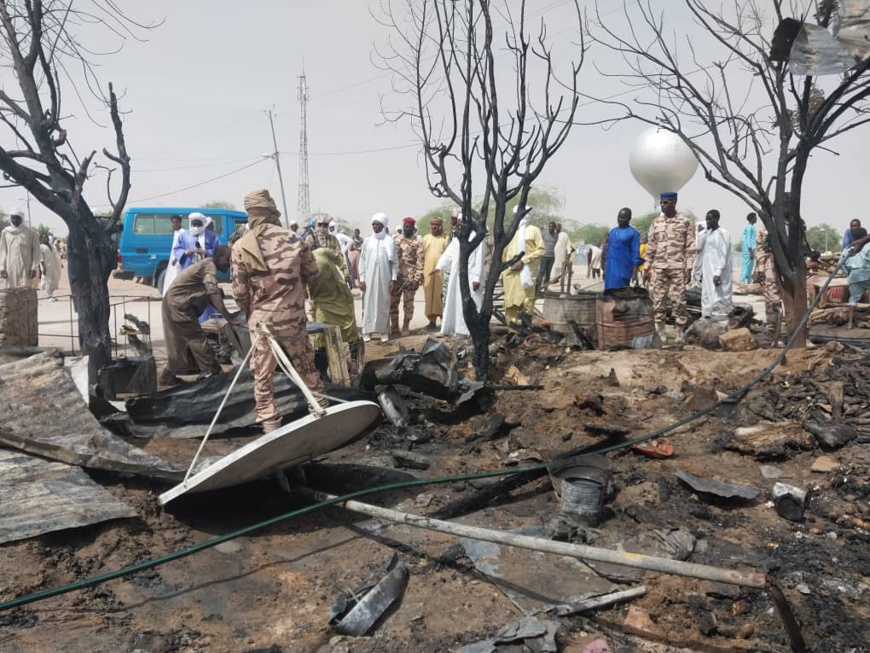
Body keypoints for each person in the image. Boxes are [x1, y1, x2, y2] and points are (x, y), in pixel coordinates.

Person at [232, 189, 324, 432]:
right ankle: (321, 417)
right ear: (272, 211)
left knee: (263, 378)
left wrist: (252, 310)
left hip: (262, 324)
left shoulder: (241, 246)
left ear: (250, 214)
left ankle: (271, 428)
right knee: (307, 369)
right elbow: (314, 275)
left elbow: (240, 294)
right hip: (293, 319)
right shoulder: (296, 239)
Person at [159, 246, 240, 387]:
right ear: (219, 256)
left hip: (175, 303)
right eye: (228, 260)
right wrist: (230, 318)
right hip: (178, 305)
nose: (229, 263)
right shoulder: (210, 266)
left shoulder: (207, 265)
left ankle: (168, 376)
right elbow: (212, 293)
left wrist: (226, 313)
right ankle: (212, 374)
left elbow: (213, 294)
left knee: (179, 343)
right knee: (197, 338)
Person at [643, 191, 695, 341]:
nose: (663, 205)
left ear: (674, 202)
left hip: (677, 267)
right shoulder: (656, 223)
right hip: (659, 268)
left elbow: (690, 247)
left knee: (679, 301)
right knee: (658, 301)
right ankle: (660, 331)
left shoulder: (685, 222)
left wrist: (689, 268)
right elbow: (651, 246)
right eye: (661, 203)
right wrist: (647, 267)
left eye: (665, 203)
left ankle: (679, 331)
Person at [307, 246, 364, 375]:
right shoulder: (298, 266)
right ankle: (322, 373)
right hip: (322, 302)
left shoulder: (322, 252)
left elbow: (339, 256)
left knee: (350, 329)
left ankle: (355, 362)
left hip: (340, 295)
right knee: (321, 336)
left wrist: (345, 270)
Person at [438, 215, 486, 337]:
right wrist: (439, 266)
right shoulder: (458, 238)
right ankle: (459, 329)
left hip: (471, 277)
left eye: (461, 222)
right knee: (458, 303)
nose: (459, 225)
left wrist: (477, 278)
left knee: (472, 302)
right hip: (458, 276)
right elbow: (448, 254)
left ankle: (472, 331)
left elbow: (480, 259)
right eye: (458, 222)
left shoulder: (477, 238)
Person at [502, 205, 544, 328]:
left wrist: (524, 260)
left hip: (527, 274)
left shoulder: (534, 230)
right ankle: (512, 331)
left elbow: (541, 250)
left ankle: (525, 331)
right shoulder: (510, 231)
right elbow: (503, 253)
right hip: (510, 274)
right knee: (510, 302)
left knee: (527, 303)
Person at [359, 213, 397, 342]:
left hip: (384, 277)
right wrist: (362, 279)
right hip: (369, 278)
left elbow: (394, 263)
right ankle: (367, 332)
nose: (375, 226)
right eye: (373, 224)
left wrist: (393, 279)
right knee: (368, 304)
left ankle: (383, 331)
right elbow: (362, 261)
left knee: (383, 303)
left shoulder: (389, 241)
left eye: (378, 224)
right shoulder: (368, 241)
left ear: (383, 226)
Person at [693, 210, 734, 317]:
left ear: (717, 219)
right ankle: (705, 321)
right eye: (706, 219)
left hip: (717, 274)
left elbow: (723, 254)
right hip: (708, 273)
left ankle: (718, 324)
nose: (707, 222)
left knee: (718, 299)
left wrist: (718, 273)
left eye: (710, 219)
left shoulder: (723, 233)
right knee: (706, 297)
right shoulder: (709, 233)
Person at [390, 216, 424, 335]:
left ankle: (405, 326)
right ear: (403, 226)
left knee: (408, 304)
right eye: (405, 227)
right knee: (393, 302)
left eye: (409, 227)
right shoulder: (395, 239)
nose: (407, 229)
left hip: (410, 277)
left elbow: (420, 261)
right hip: (396, 276)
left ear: (413, 228)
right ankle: (394, 327)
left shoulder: (418, 242)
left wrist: (417, 279)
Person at [604, 208, 643, 290]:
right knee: (608, 295)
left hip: (623, 270)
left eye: (623, 217)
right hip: (610, 269)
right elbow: (608, 251)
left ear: (629, 218)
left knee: (621, 294)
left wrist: (634, 272)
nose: (620, 219)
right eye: (619, 217)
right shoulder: (612, 232)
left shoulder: (633, 233)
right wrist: (605, 268)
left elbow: (635, 253)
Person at [422, 216, 449, 331]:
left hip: (441, 273)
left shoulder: (445, 239)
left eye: (436, 225)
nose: (434, 227)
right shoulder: (426, 238)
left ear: (440, 226)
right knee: (429, 296)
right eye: (432, 225)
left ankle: (444, 320)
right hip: (428, 272)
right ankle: (431, 321)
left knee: (441, 295)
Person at [0, 211, 40, 289]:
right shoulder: (5, 232)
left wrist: (33, 268)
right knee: (10, 291)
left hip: (26, 267)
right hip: (10, 268)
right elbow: (3, 251)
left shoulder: (31, 232)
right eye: (13, 218)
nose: (14, 220)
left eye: (17, 218)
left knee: (25, 290)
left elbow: (36, 251)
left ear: (22, 219)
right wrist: (2, 267)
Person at [754, 227, 782, 337]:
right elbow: (760, 250)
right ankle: (773, 334)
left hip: (793, 266)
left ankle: (802, 335)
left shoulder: (798, 224)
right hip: (772, 265)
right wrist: (760, 269)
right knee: (773, 300)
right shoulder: (767, 227)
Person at [844, 229, 870, 329]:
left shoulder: (848, 248)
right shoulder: (868, 246)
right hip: (867, 273)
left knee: (853, 299)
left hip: (854, 275)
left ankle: (850, 323)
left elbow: (842, 263)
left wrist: (848, 274)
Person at [162, 215, 185, 293]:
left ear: (180, 222)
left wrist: (176, 258)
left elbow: (183, 247)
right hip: (173, 258)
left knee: (177, 276)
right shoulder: (176, 232)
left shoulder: (183, 232)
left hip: (179, 259)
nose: (174, 224)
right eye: (173, 222)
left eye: (176, 222)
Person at [550, 223, 574, 290]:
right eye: (556, 227)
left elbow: (568, 244)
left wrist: (568, 253)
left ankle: (561, 282)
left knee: (561, 268)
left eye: (558, 227)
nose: (557, 228)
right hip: (551, 255)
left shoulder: (564, 235)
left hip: (561, 255)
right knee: (553, 269)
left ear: (560, 228)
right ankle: (553, 280)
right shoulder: (553, 234)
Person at [537, 221, 558, 293]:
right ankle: (537, 288)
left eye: (552, 226)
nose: (551, 228)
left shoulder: (556, 235)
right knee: (541, 272)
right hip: (544, 256)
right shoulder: (544, 234)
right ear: (548, 227)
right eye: (550, 226)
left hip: (552, 257)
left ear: (555, 228)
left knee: (548, 274)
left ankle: (546, 288)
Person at [39, 234, 61, 301]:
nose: (46, 239)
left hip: (53, 265)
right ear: (42, 239)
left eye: (47, 238)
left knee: (54, 279)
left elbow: (55, 255)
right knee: (48, 280)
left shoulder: (51, 246)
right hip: (46, 266)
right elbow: (41, 258)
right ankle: (49, 295)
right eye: (44, 238)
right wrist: (43, 268)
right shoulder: (41, 247)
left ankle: (51, 294)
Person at [740, 213, 757, 285]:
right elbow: (749, 240)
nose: (756, 219)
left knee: (750, 267)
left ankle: (750, 282)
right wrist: (751, 251)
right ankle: (742, 283)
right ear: (752, 218)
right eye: (755, 217)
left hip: (751, 250)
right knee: (746, 267)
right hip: (748, 251)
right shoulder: (749, 227)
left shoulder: (752, 227)